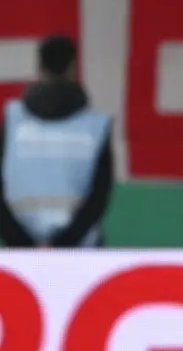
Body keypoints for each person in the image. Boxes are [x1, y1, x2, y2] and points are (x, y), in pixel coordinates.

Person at [0, 35, 114, 248]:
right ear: (73, 68)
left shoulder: (12, 120)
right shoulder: (96, 126)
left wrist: (23, 244)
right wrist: (61, 247)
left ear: (39, 67)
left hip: (21, 254)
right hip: (81, 252)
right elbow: (99, 197)